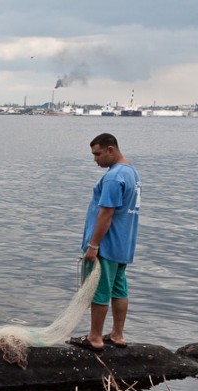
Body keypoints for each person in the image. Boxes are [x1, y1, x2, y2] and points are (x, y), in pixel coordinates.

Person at [68, 133, 140, 352]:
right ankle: (117, 335)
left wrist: (93, 245)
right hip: (124, 243)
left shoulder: (112, 177)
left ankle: (95, 337)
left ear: (111, 149)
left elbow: (106, 213)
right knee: (119, 289)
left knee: (98, 289)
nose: (95, 159)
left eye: (97, 154)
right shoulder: (132, 173)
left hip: (106, 244)